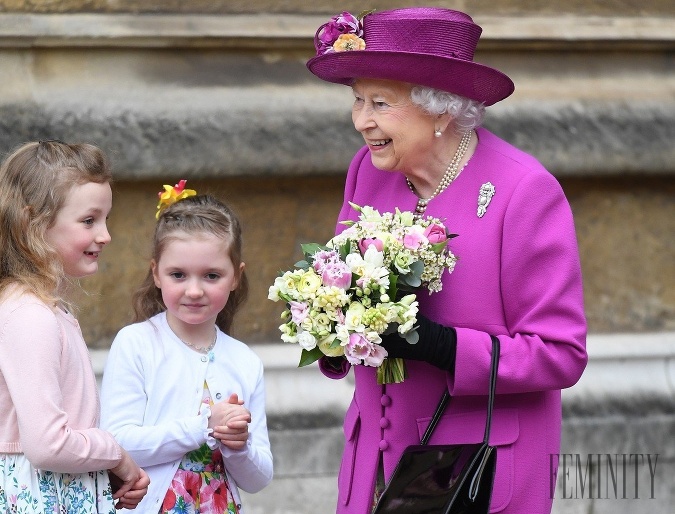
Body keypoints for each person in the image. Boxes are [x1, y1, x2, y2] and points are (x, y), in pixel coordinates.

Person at [306, 7, 588, 514]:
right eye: (357, 100)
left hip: (473, 472)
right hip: (375, 468)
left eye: (380, 103)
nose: (361, 121)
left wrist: (443, 347)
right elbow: (346, 285)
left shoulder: (523, 192)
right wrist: (332, 327)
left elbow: (560, 352)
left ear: (440, 110)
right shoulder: (369, 172)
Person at [100, 187, 273, 514]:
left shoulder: (245, 361)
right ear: (156, 273)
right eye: (178, 274)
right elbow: (118, 445)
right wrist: (205, 426)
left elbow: (258, 479)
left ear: (235, 276)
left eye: (212, 275)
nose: (194, 290)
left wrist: (238, 447)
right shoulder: (137, 343)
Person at [0, 140, 150, 513]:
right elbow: (47, 444)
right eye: (88, 220)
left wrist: (100, 469)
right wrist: (113, 454)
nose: (105, 235)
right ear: (33, 222)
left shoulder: (44, 310)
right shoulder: (29, 315)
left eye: (105, 219)